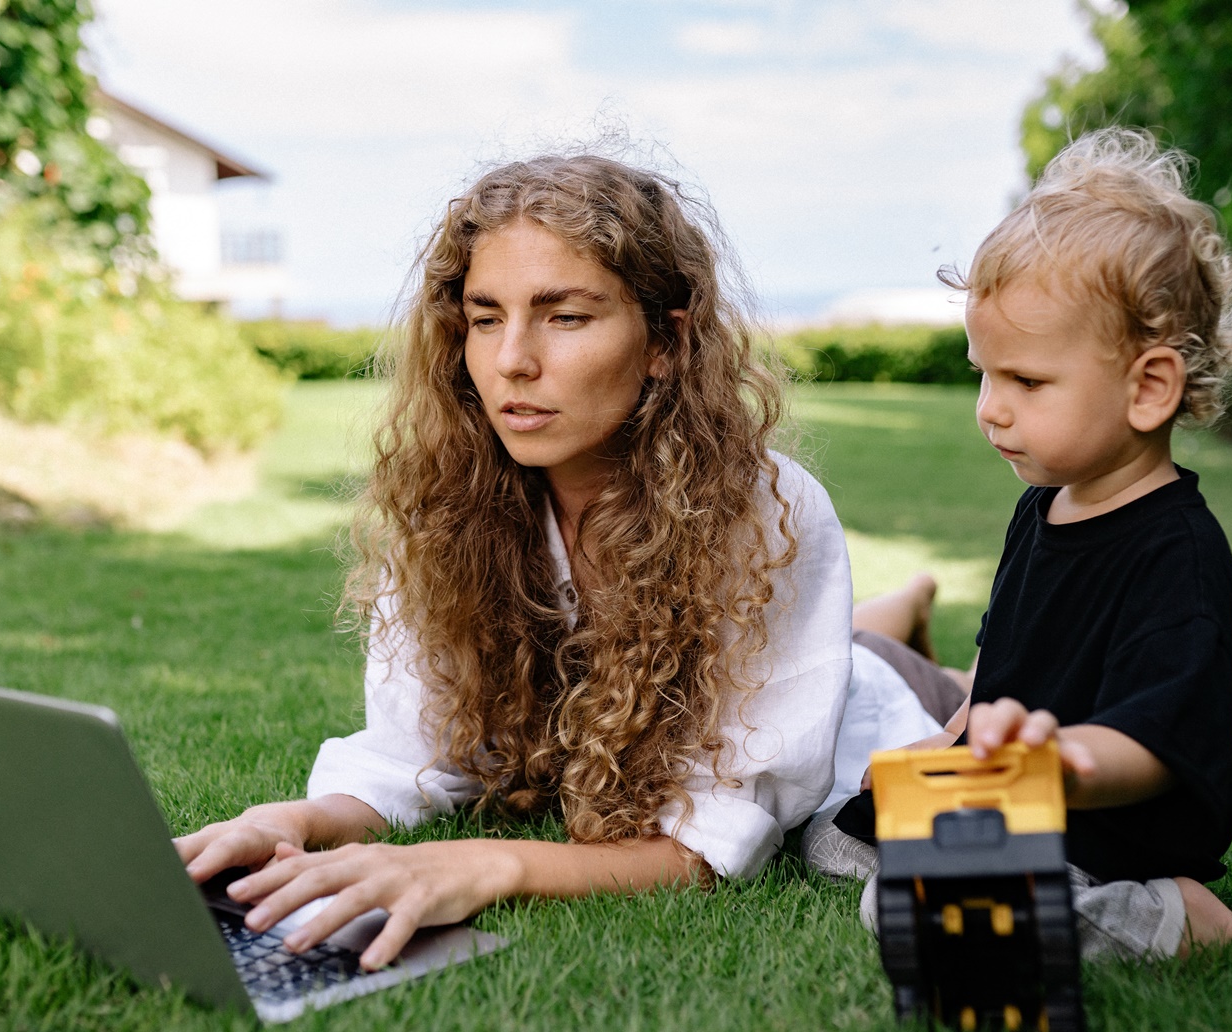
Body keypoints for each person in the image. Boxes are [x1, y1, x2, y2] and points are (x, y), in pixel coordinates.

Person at [174, 154, 944, 971]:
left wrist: (491, 862)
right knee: (862, 639)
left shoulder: (766, 515)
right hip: (807, 651)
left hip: (861, 707)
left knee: (887, 671)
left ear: (665, 341)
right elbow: (412, 752)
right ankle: (902, 608)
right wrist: (296, 818)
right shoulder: (449, 503)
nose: (512, 360)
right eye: (483, 317)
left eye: (565, 317)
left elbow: (713, 843)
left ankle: (908, 621)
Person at [807, 128, 1232, 958]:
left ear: (1148, 387)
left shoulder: (1177, 554)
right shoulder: (1042, 508)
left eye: (1026, 381)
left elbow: (1152, 743)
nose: (990, 409)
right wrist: (946, 742)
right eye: (983, 373)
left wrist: (1055, 762)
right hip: (1011, 797)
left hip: (1104, 824)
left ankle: (1178, 913)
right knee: (829, 837)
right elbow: (1007, 665)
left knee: (905, 899)